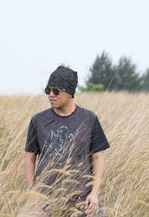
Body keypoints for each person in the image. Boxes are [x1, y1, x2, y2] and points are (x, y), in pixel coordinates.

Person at [21, 66, 110, 216]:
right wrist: (32, 195)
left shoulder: (89, 119)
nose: (51, 95)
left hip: (81, 199)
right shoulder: (38, 120)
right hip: (45, 201)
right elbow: (29, 157)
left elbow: (98, 157)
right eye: (48, 90)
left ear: (70, 93)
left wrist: (94, 194)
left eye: (56, 91)